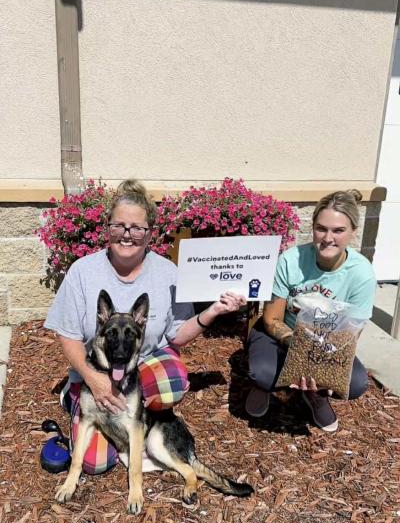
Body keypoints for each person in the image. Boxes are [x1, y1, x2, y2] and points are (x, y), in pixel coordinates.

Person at [45, 178, 245, 473]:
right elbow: (69, 334)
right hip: (95, 368)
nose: (127, 235)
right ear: (108, 227)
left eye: (137, 228)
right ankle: (80, 400)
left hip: (144, 364)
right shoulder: (83, 272)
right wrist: (92, 378)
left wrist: (213, 311)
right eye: (119, 226)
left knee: (173, 382)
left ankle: (138, 419)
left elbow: (176, 335)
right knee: (95, 464)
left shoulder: (167, 273)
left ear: (150, 233)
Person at [245, 190, 376, 432]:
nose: (328, 238)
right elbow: (272, 318)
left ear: (353, 232)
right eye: (321, 228)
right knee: (261, 373)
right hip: (283, 335)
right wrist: (299, 348)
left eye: (338, 230)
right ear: (312, 228)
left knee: (355, 383)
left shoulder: (362, 273)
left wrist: (321, 365)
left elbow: (351, 334)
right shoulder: (291, 260)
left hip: (329, 343)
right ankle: (263, 387)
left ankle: (316, 396)